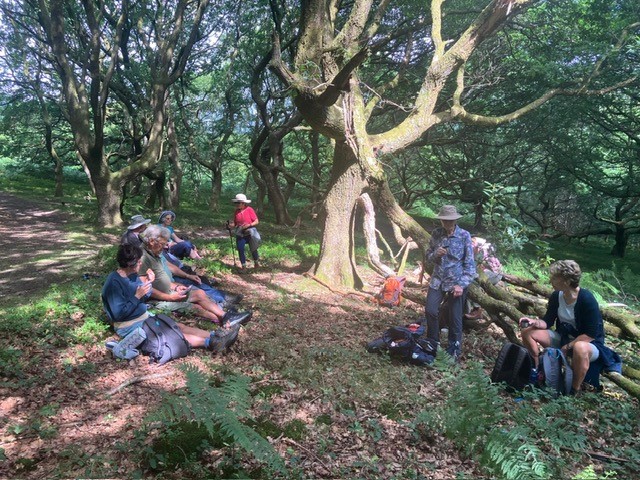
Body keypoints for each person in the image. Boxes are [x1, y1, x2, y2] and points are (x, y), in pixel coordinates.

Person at [101, 244, 241, 356]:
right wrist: (137, 296)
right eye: (138, 262)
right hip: (129, 325)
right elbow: (118, 314)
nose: (140, 263)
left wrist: (149, 283)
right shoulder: (114, 283)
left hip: (144, 316)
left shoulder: (132, 275)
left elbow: (143, 296)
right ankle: (211, 343)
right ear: (130, 264)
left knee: (177, 326)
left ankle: (216, 336)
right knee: (172, 334)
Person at [519, 260, 620, 394]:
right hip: (563, 338)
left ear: (566, 281)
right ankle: (537, 371)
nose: (550, 280)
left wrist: (567, 347)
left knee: (579, 347)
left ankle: (573, 389)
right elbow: (548, 321)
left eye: (554, 277)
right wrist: (534, 322)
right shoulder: (557, 296)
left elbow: (590, 335)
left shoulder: (586, 299)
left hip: (588, 345)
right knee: (528, 331)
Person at [140, 225, 251, 326]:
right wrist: (169, 297)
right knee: (196, 305)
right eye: (162, 244)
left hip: (171, 290)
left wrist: (177, 286)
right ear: (151, 241)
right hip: (159, 299)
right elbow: (145, 288)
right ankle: (228, 320)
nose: (164, 247)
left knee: (199, 293)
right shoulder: (142, 258)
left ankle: (227, 317)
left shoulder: (155, 252)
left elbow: (162, 276)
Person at [424, 205, 476, 360]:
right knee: (430, 310)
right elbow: (427, 257)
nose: (447, 223)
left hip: (456, 282)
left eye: (450, 220)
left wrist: (461, 285)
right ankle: (433, 343)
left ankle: (454, 350)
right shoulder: (436, 234)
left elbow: (470, 265)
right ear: (441, 220)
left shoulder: (464, 235)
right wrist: (435, 254)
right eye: (444, 220)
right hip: (438, 280)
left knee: (455, 318)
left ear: (455, 220)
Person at [228, 193, 261, 269]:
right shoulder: (236, 211)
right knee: (240, 248)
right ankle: (243, 266)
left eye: (238, 203)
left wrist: (249, 225)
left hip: (250, 232)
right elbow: (235, 223)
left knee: (253, 248)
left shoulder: (249, 209)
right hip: (240, 232)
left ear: (243, 203)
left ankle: (256, 263)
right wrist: (230, 226)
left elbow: (256, 221)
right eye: (236, 203)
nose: (237, 204)